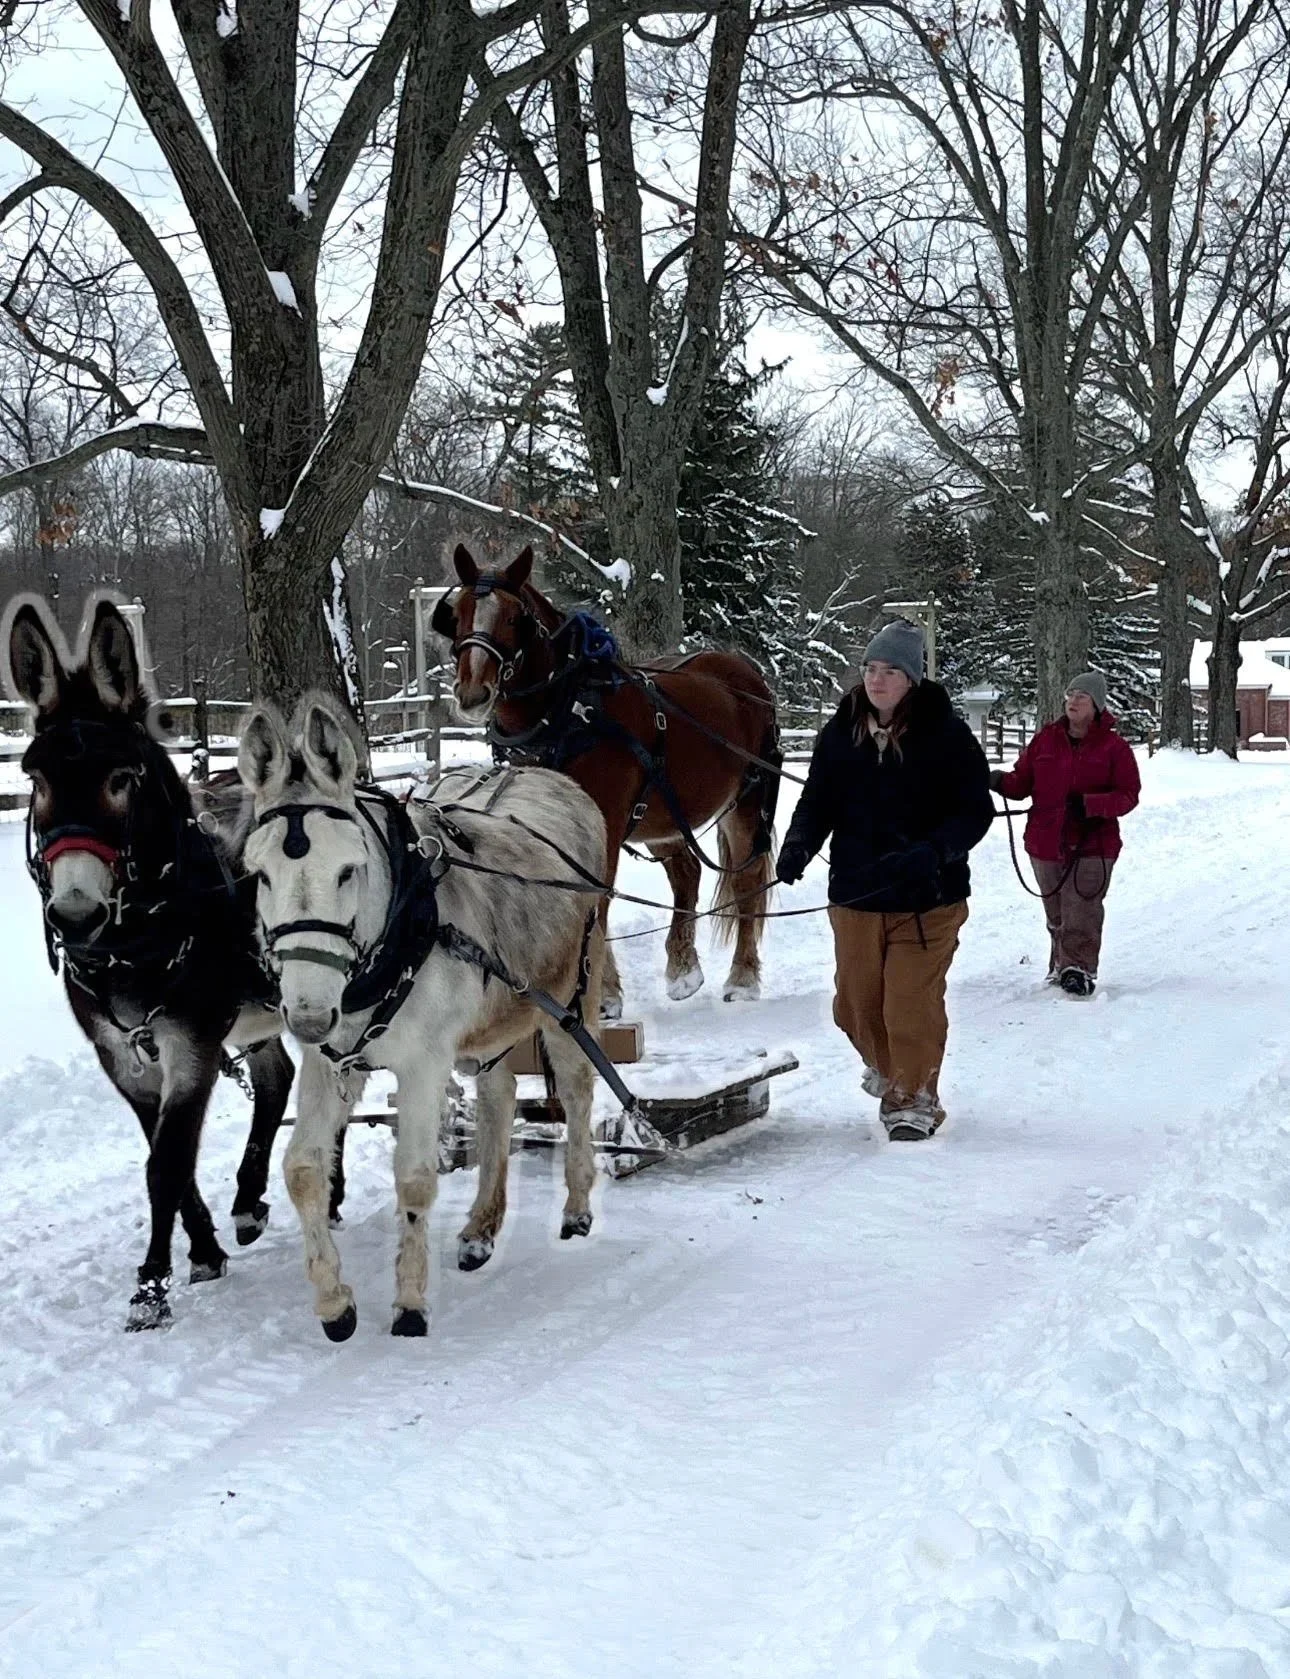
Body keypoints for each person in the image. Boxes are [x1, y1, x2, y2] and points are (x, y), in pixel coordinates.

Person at [777, 621, 993, 1141]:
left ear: (912, 678)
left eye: (890, 670)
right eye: (871, 669)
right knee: (853, 1004)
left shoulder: (946, 734)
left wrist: (935, 851)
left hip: (927, 899)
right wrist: (798, 845)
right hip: (855, 892)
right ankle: (893, 1070)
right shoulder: (843, 728)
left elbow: (975, 811)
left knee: (908, 1004)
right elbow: (819, 798)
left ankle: (913, 1099)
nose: (877, 680)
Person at [989, 671, 1140, 998]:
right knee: (1056, 910)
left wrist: (1090, 805)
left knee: (1082, 908)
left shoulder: (1114, 748)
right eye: (1070, 694)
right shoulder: (1046, 739)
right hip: (1045, 840)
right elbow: (1021, 782)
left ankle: (1079, 970)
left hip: (1093, 843)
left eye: (1081, 696)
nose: (1073, 701)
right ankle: (1059, 966)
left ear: (1096, 705)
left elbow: (1129, 795)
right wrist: (997, 781)